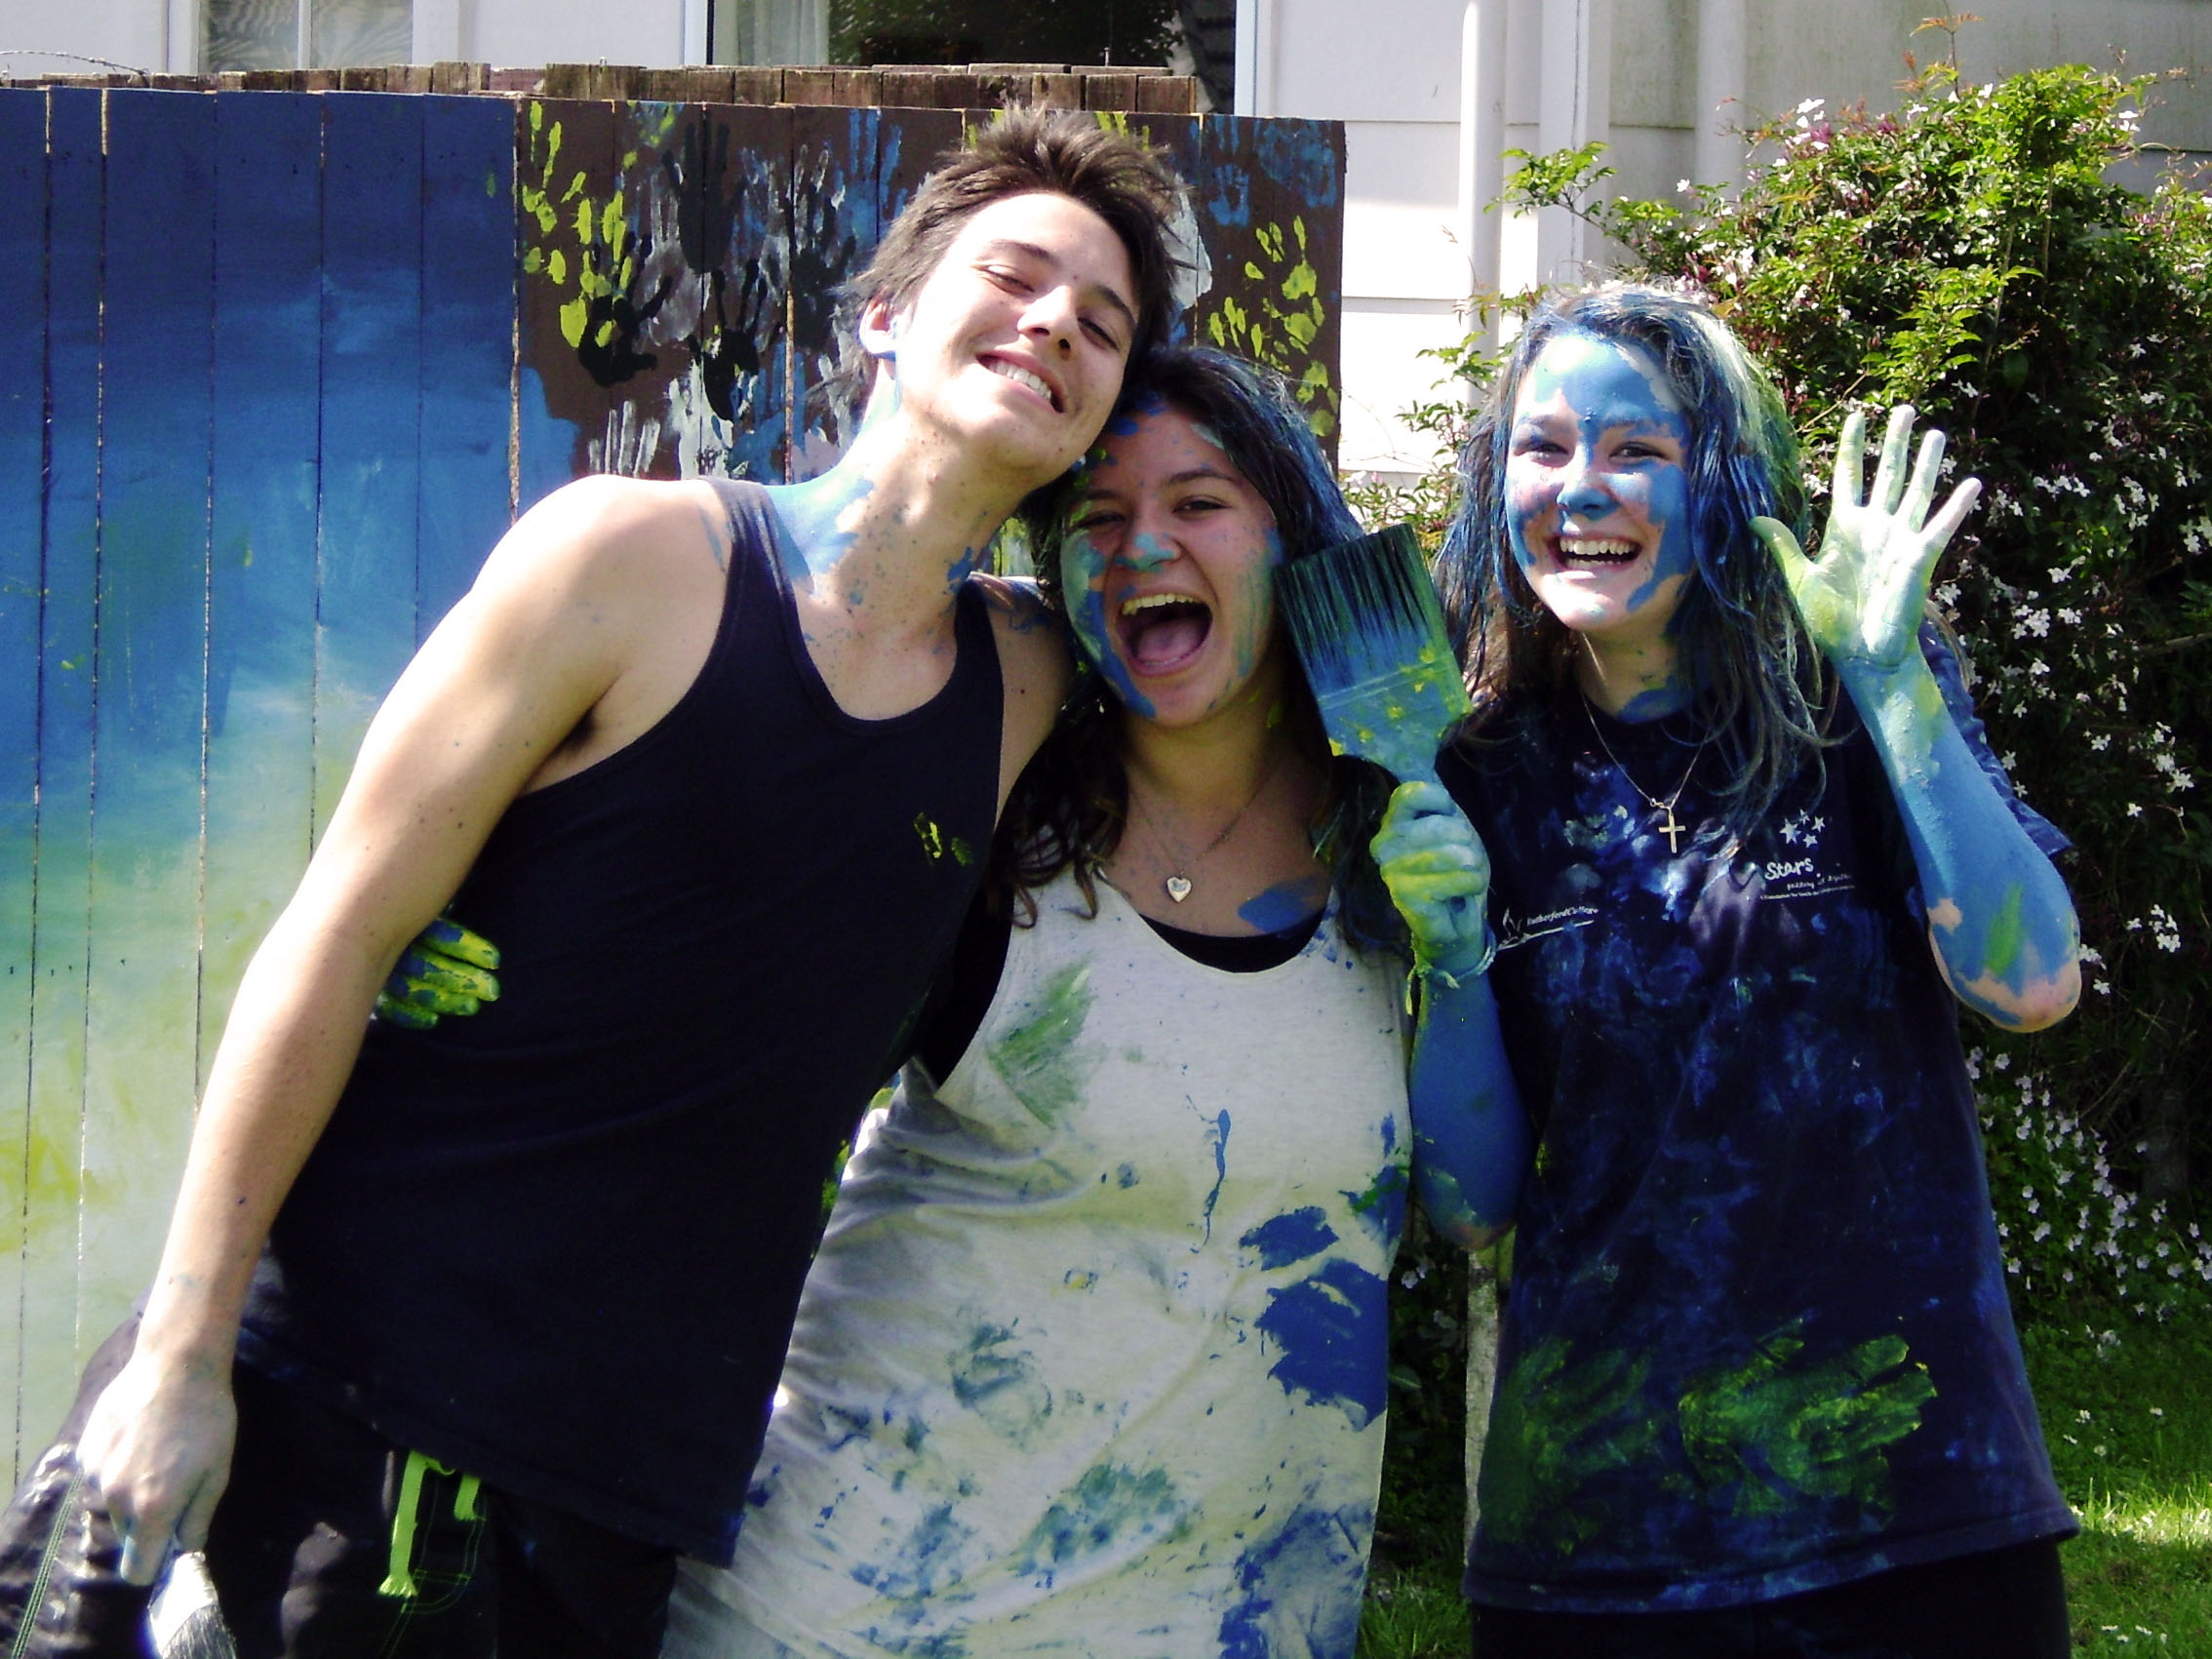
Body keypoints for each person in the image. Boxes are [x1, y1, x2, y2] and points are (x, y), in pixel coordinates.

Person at [47, 108, 1184, 1658]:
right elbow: (331, 938)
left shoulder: (1032, 684)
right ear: (885, 316)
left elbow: (1268, 650)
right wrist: (180, 1354)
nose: (1058, 322)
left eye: (1105, 325)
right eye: (1017, 274)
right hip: (331, 1431)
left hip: (616, 1511)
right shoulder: (631, 561)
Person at [658, 347, 1530, 1659]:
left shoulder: (1393, 837)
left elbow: (1472, 1208)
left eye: (1199, 502)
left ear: (1289, 533)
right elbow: (719, 1071)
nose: (1141, 546)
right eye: (1099, 518)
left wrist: (1455, 950)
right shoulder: (989, 813)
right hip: (850, 1612)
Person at [1398, 284, 2082, 1656]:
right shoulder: (1476, 774)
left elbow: (2034, 981)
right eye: (1543, 448)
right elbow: (1473, 1206)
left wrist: (1895, 683)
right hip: (1592, 1551)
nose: (1580, 488)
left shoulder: (1850, 706)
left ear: (1717, 481)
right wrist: (1451, 951)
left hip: (1911, 1508)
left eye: (1636, 450)